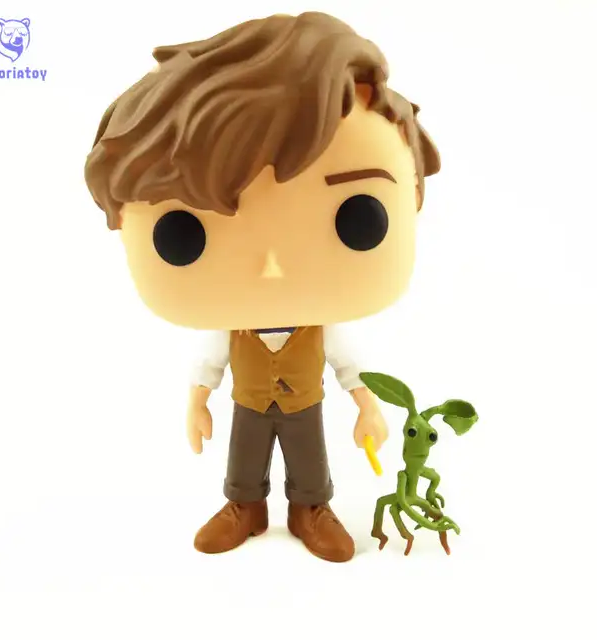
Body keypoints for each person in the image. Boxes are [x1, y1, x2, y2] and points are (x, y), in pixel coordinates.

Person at [84, 11, 440, 562]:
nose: (271, 267)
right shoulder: (230, 326)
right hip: (249, 403)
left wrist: (367, 407)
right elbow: (209, 363)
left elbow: (349, 366)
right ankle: (244, 507)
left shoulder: (322, 324)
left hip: (304, 405)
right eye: (183, 235)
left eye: (358, 219)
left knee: (309, 459)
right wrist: (198, 403)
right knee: (243, 459)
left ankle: (310, 509)